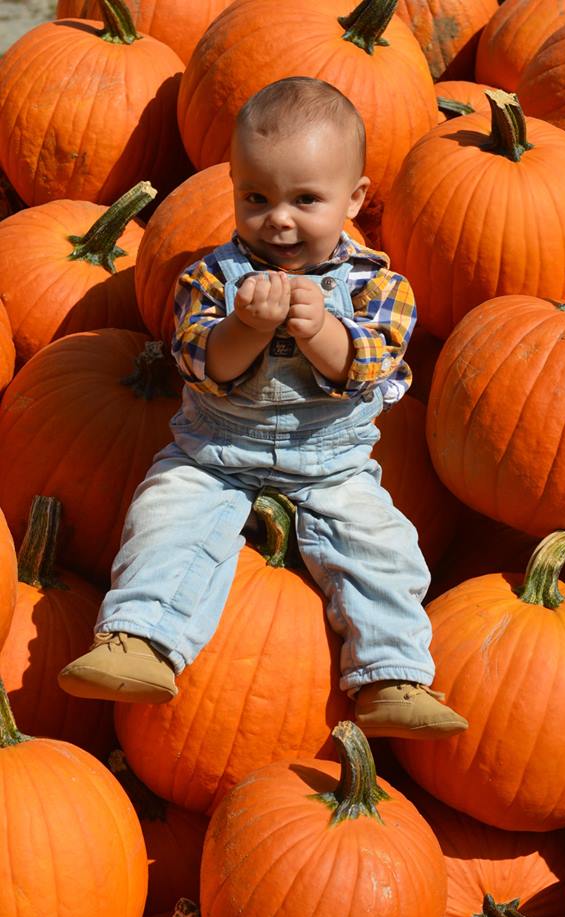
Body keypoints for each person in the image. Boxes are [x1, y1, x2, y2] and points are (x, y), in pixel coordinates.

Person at [58, 76, 468, 740]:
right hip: (215, 453)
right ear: (235, 190)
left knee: (383, 546)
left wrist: (322, 332)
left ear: (355, 198)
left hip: (331, 464)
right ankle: (138, 640)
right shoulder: (208, 280)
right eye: (256, 198)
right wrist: (243, 328)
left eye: (306, 199)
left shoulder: (379, 286)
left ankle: (392, 675)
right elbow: (197, 361)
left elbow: (375, 363)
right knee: (165, 515)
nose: (278, 219)